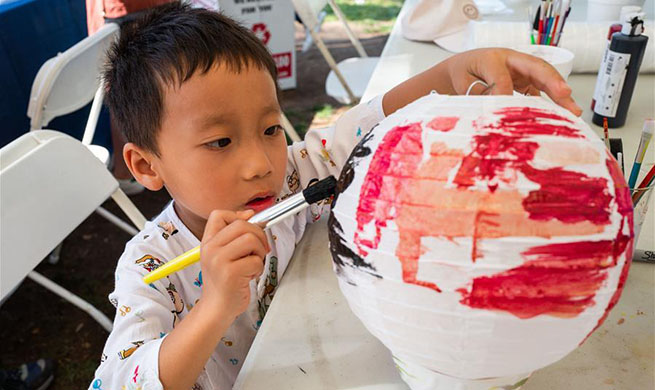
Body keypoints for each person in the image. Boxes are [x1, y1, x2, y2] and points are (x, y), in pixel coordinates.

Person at [89, 2, 582, 389]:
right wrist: (214, 305)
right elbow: (123, 381)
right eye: (220, 141)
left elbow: (364, 125)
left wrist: (454, 70)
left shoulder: (288, 181)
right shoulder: (152, 265)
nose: (261, 163)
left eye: (269, 128)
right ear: (146, 165)